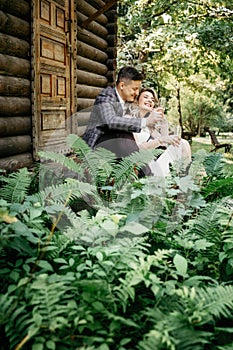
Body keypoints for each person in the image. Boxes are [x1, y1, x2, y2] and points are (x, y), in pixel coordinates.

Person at [82, 66, 164, 177]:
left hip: (114, 148)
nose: (136, 93)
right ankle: (147, 176)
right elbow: (110, 121)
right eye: (134, 89)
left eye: (138, 89)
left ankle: (148, 175)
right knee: (122, 132)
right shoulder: (106, 96)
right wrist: (145, 121)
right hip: (95, 148)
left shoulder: (126, 103)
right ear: (122, 85)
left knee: (126, 134)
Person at [126, 87, 192, 177]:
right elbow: (135, 149)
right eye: (146, 97)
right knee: (182, 144)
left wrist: (163, 120)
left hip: (156, 163)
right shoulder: (130, 120)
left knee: (182, 143)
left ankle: (185, 179)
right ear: (137, 101)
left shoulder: (151, 127)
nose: (150, 100)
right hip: (142, 168)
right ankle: (186, 181)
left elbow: (164, 145)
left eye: (152, 99)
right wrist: (160, 140)